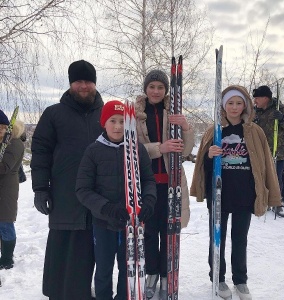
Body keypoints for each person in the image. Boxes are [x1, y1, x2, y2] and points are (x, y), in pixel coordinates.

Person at [190, 85, 281, 300]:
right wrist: (209, 155)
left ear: (245, 105)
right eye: (230, 103)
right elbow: (202, 165)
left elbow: (264, 164)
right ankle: (218, 277)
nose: (234, 107)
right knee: (217, 238)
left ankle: (240, 280)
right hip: (219, 194)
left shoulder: (254, 131)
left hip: (244, 194)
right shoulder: (215, 131)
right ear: (223, 105)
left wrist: (270, 193)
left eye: (239, 103)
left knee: (240, 238)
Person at [31, 60, 104, 300]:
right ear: (71, 83)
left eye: (88, 81)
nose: (84, 86)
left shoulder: (106, 115)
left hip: (98, 194)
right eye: (78, 81)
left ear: (94, 83)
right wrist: (41, 188)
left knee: (90, 249)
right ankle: (57, 293)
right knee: (62, 245)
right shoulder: (54, 113)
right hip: (64, 192)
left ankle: (81, 292)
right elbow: (41, 152)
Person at [76, 100, 157, 300]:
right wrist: (107, 208)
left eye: (122, 121)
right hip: (103, 222)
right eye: (113, 121)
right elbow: (83, 189)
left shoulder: (137, 149)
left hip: (132, 224)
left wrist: (148, 200)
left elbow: (148, 180)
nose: (118, 126)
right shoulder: (93, 151)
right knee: (103, 268)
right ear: (104, 122)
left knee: (127, 267)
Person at [134, 70, 194, 300]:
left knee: (170, 232)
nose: (156, 91)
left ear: (166, 90)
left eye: (160, 87)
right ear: (146, 89)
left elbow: (186, 150)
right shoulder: (136, 114)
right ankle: (151, 274)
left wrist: (186, 127)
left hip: (172, 184)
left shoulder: (175, 113)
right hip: (147, 184)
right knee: (148, 232)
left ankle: (167, 272)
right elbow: (134, 150)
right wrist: (160, 147)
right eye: (152, 87)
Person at [253, 85, 284, 218]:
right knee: (260, 177)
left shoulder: (280, 108)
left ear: (266, 98)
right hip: (260, 150)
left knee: (276, 178)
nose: (255, 100)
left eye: (257, 98)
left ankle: (277, 204)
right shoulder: (256, 110)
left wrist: (283, 119)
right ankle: (262, 202)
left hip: (277, 151)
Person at [0, 109, 25, 270]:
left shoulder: (14, 143)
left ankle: (7, 259)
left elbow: (4, 167)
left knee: (5, 224)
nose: (0, 130)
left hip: (6, 191)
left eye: (2, 127)